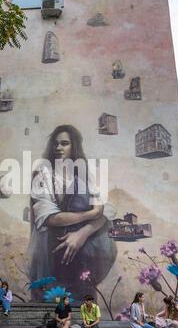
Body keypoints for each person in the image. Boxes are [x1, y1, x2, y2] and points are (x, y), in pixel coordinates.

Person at [28, 124, 117, 301]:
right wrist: (91, 214)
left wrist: (82, 233)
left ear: (74, 145)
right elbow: (50, 218)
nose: (59, 148)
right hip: (53, 253)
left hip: (84, 257)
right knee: (54, 303)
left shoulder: (85, 174)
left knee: (84, 302)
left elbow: (106, 213)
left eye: (64, 143)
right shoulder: (43, 175)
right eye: (56, 143)